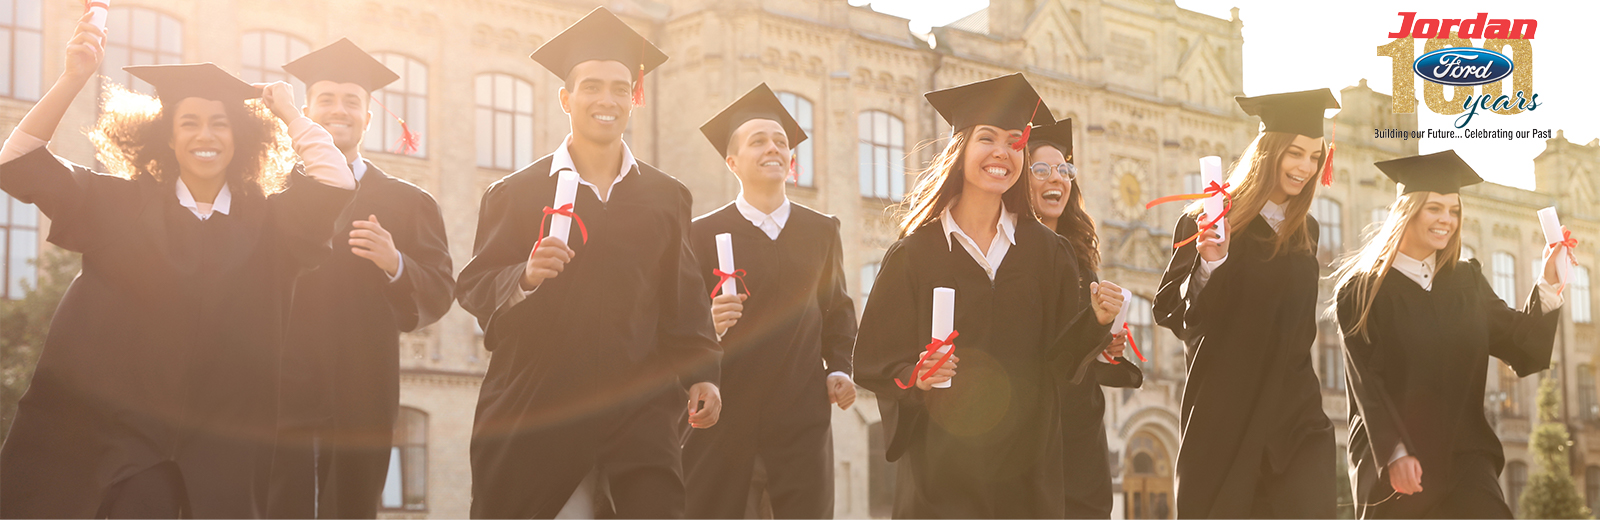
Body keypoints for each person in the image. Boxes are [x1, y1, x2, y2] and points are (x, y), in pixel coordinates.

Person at [0, 16, 357, 518]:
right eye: (189, 122)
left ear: (240, 138)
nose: (204, 135)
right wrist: (74, 77)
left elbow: (335, 182)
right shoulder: (121, 205)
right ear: (168, 138)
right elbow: (17, 163)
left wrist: (290, 113)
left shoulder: (268, 222)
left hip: (222, 450)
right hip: (118, 442)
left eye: (220, 123)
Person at [454, 7, 722, 518]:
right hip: (541, 407)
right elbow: (475, 284)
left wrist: (704, 374)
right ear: (566, 98)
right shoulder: (515, 193)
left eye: (621, 88)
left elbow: (684, 301)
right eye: (593, 86)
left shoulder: (667, 197)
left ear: (633, 98)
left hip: (640, 409)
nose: (608, 99)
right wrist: (525, 276)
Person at [853, 73, 1125, 518]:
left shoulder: (1049, 253)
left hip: (1026, 472)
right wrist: (916, 376)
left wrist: (1094, 322)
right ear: (960, 150)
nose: (1002, 151)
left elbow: (1060, 365)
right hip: (942, 472)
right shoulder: (915, 254)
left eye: (1015, 141)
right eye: (987, 138)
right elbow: (872, 361)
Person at [267, 38, 455, 519]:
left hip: (363, 388)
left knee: (350, 507)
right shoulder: (271, 194)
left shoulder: (409, 202)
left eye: (352, 100)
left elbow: (438, 292)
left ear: (368, 117)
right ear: (306, 109)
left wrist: (396, 263)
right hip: (280, 384)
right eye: (326, 99)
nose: (339, 109)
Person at [1334, 150, 1564, 518]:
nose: (1447, 220)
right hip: (1398, 459)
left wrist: (1549, 283)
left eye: (1454, 210)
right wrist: (1395, 452)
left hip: (1466, 455)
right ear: (1407, 211)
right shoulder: (1361, 291)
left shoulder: (1466, 280)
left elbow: (1520, 345)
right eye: (1434, 209)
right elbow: (1367, 384)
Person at [1152, 89, 1340, 518]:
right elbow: (1171, 312)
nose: (1306, 167)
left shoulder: (1306, 229)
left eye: (1315, 156)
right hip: (1225, 409)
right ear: (1268, 152)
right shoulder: (1210, 218)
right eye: (1295, 153)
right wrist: (1210, 264)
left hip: (1295, 413)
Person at [682, 83, 858, 519]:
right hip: (724, 419)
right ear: (732, 162)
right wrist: (710, 322)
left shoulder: (821, 231)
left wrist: (839, 368)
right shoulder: (701, 234)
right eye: (758, 141)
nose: (773, 148)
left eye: (781, 142)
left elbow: (837, 311)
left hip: (800, 419)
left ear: (791, 160)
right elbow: (678, 323)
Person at [1025, 118, 1144, 518]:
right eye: (1040, 169)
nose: (1055, 177)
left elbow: (1078, 354)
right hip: (1033, 427)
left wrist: (1105, 345)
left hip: (1080, 431)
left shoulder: (1081, 261)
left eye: (1065, 170)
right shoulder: (1009, 256)